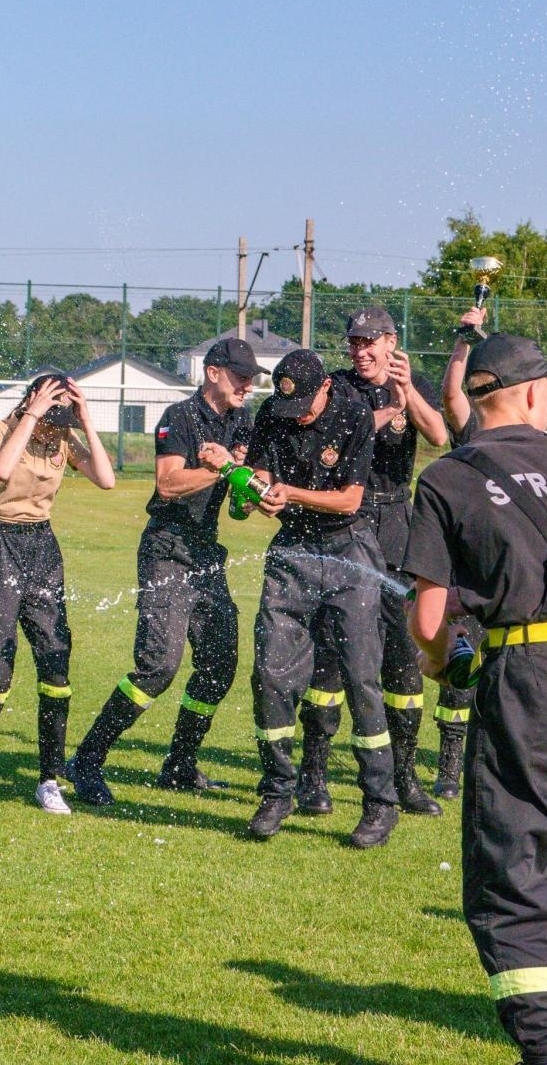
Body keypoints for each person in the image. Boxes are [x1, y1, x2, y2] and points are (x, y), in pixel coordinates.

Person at [405, 333, 547, 1065]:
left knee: (511, 871)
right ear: (533, 394)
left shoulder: (447, 477)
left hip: (529, 679)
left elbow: (428, 623)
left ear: (477, 398)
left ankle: (546, 1053)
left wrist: (445, 665)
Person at [64, 338, 268, 804]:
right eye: (240, 376)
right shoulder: (178, 417)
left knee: (219, 665)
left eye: (252, 378)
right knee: (158, 667)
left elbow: (240, 502)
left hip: (206, 552)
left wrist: (245, 487)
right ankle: (87, 759)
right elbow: (169, 483)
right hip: (167, 548)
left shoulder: (242, 420)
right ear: (213, 372)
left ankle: (179, 764)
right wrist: (222, 470)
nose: (247, 385)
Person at [0, 371, 116, 818]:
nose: (56, 424)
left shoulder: (63, 439)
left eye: (62, 415)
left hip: (41, 546)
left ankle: (50, 780)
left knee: (56, 663)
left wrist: (86, 420)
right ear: (34, 399)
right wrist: (34, 412)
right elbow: (0, 468)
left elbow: (107, 480)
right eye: (52, 412)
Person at [294, 306, 447, 818]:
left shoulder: (413, 381)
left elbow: (439, 437)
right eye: (354, 343)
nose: (360, 352)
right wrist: (384, 411)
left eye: (370, 342)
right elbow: (336, 440)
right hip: (346, 525)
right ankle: (312, 775)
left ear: (391, 342)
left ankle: (404, 777)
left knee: (405, 660)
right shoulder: (335, 388)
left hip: (398, 524)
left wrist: (410, 398)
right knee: (332, 658)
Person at [245, 348, 399, 849]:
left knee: (360, 676)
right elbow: (262, 477)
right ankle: (277, 790)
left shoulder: (354, 414)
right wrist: (254, 490)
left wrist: (287, 491)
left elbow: (351, 498)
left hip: (347, 547)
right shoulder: (273, 412)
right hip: (291, 549)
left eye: (307, 406)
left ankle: (379, 803)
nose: (300, 416)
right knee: (270, 671)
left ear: (326, 388)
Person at [431, 305, 487, 800]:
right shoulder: (477, 437)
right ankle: (449, 770)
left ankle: (494, 764)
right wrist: (464, 341)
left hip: (512, 580)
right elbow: (450, 394)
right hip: (465, 574)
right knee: (459, 677)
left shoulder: (539, 446)